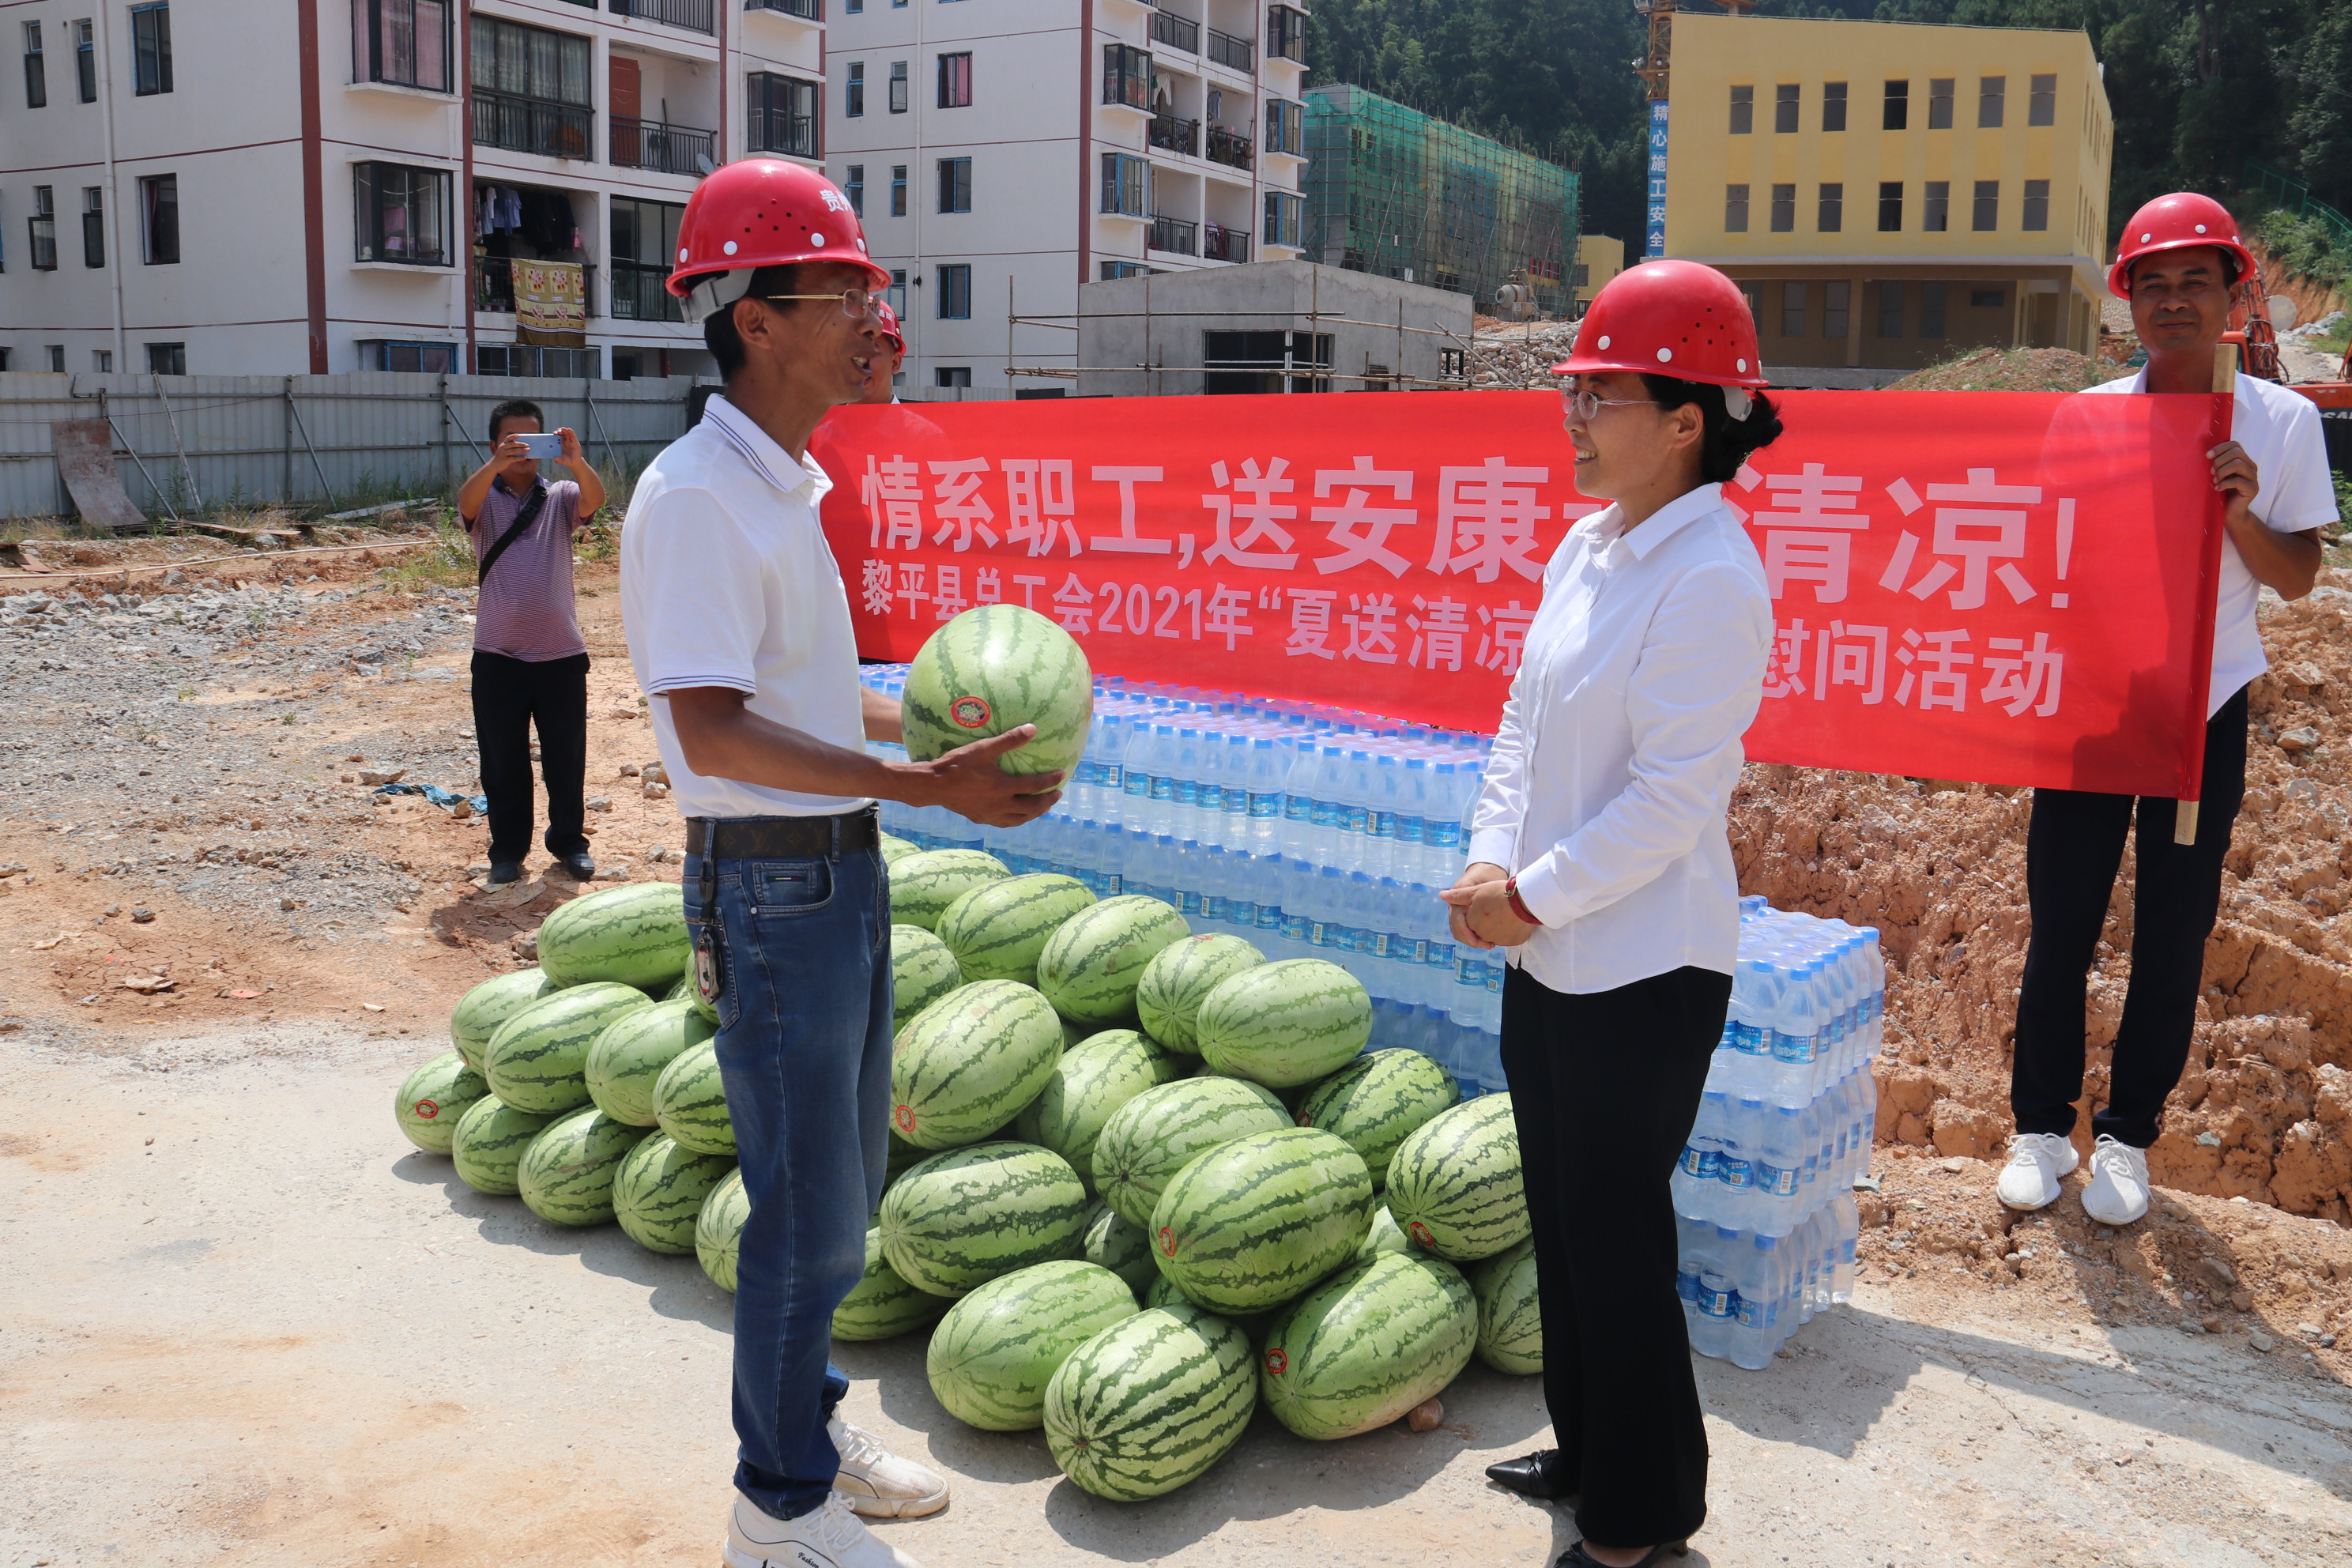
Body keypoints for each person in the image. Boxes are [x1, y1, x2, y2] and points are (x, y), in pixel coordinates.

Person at [617, 159, 1061, 1568]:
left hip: (832, 869)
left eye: (875, 289)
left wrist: (934, 726)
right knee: (805, 1214)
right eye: (847, 292)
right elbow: (710, 725)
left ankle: (805, 1426)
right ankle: (778, 1507)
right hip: (769, 885)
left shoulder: (782, 485)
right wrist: (920, 782)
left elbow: (799, 693)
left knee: (840, 1191)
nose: (877, 317)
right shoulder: (698, 497)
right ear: (755, 319)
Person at [1445, 259, 1781, 1568]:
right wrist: (1492, 864)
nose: (1574, 415)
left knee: (1619, 1238)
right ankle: (1586, 1453)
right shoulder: (1589, 548)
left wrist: (1529, 895)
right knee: (1564, 1221)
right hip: (1548, 952)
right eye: (1572, 391)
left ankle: (1641, 1517)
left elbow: (1671, 799)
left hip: (1644, 969)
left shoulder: (1711, 575)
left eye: (1601, 395)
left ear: (1687, 420)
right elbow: (1521, 729)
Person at [2000, 192, 2336, 1225]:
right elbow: (2047, 558)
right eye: (2155, 284)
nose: (2175, 300)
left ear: (2234, 293)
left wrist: (2238, 510)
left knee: (2173, 929)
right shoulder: (2089, 415)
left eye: (2197, 280)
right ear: (2130, 302)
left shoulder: (2282, 422)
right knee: (2062, 916)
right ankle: (2040, 1128)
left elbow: (2299, 579)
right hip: (2096, 704)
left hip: (2205, 704)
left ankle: (2129, 1137)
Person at [454, 400, 607, 886]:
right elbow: (465, 505)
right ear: (493, 445)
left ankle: (570, 843)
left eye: (531, 440)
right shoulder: (484, 496)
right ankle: (507, 851)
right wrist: (494, 466)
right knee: (502, 761)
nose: (522, 450)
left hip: (561, 654)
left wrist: (576, 462)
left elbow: (594, 500)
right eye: (511, 441)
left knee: (567, 758)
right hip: (498, 655)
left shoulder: (560, 495)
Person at [857, 300, 906, 404]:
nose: (856, 362)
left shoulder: (916, 417)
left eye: (868, 351)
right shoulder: (824, 414)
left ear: (895, 363)